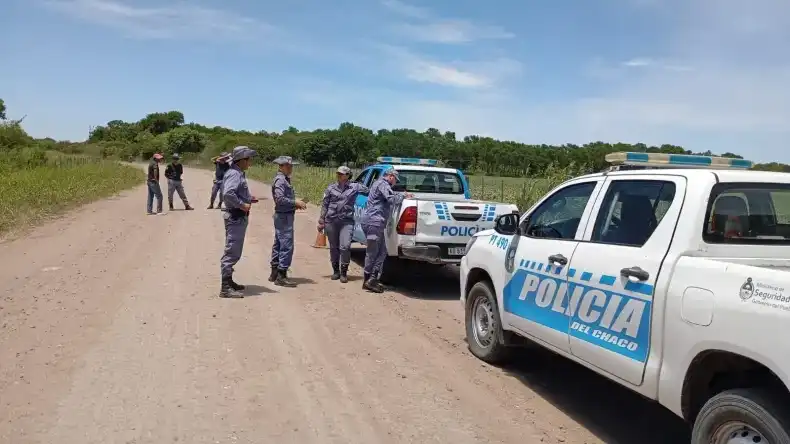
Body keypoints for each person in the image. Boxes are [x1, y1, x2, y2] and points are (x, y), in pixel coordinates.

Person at [360, 167, 412, 293]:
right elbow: (391, 199)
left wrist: (400, 194)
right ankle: (368, 280)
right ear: (391, 176)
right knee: (373, 252)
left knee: (382, 251)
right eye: (395, 179)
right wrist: (404, 197)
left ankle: (372, 279)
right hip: (375, 221)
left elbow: (390, 195)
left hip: (375, 221)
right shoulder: (383, 184)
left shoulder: (379, 184)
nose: (395, 182)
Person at [219, 146, 258, 298]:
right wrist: (242, 205)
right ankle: (225, 287)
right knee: (232, 251)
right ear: (241, 160)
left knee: (235, 250)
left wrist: (247, 198)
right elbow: (228, 194)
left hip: (237, 217)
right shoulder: (234, 174)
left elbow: (234, 192)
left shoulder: (237, 173)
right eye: (248, 159)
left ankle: (229, 281)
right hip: (235, 217)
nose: (250, 162)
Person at [318, 166, 368, 283]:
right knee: (334, 247)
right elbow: (325, 204)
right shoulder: (331, 188)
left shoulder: (355, 187)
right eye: (338, 173)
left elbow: (370, 191)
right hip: (331, 221)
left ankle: (344, 272)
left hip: (346, 221)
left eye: (342, 174)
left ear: (347, 175)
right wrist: (321, 219)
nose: (339, 175)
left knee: (345, 246)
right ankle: (336, 271)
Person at [269, 156, 307, 287]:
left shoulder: (284, 179)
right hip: (284, 216)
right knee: (286, 245)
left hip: (284, 214)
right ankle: (281, 275)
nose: (291, 168)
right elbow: (280, 199)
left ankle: (274, 272)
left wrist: (294, 204)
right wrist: (294, 202)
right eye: (289, 166)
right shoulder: (280, 180)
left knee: (279, 243)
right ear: (282, 166)